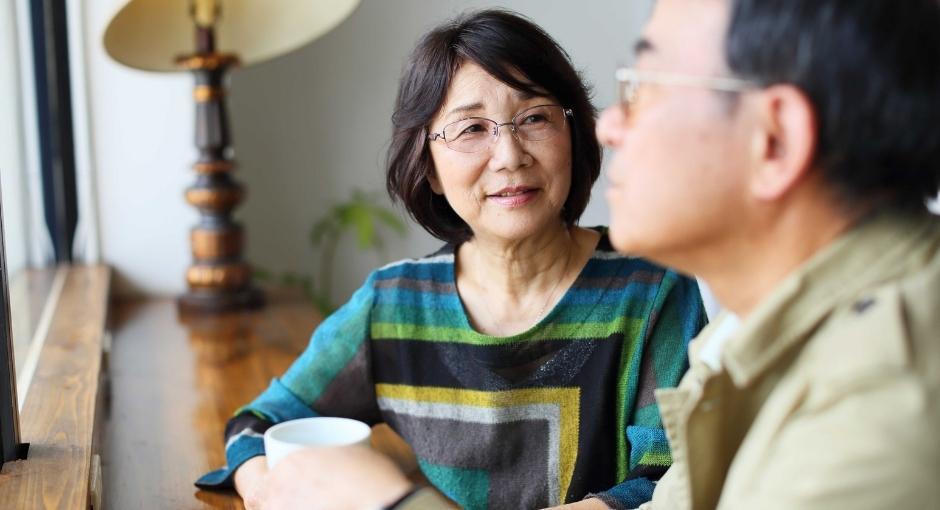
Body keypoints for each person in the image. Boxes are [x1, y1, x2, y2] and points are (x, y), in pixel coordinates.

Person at [252, 0, 940, 508]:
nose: (608, 126)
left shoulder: (881, 409)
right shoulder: (748, 341)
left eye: (647, 85)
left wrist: (392, 504)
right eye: (471, 129)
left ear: (775, 139)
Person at [195, 9, 707, 510]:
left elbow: (670, 483)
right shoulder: (395, 306)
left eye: (533, 118)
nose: (509, 155)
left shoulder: (655, 289)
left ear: (572, 135)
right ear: (430, 168)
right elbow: (259, 423)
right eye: (471, 129)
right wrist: (261, 487)